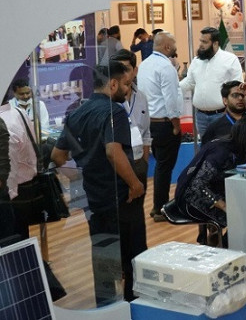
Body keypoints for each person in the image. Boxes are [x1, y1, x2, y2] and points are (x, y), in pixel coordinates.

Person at [51, 62, 146, 305]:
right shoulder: (115, 112)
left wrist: (81, 177)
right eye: (126, 84)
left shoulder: (76, 114)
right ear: (113, 84)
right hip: (121, 196)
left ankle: (106, 306)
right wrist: (135, 184)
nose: (128, 89)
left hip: (93, 196)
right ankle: (133, 307)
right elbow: (113, 152)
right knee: (132, 255)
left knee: (103, 254)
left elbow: (57, 156)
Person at [176, 116, 246, 233]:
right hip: (189, 198)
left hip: (211, 191)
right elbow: (197, 185)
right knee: (240, 216)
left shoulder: (236, 148)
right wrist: (223, 205)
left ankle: (220, 240)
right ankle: (221, 241)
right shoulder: (220, 152)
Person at [137, 32, 183, 222]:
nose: (175, 47)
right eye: (173, 44)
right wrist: (176, 125)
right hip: (165, 124)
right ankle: (160, 208)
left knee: (160, 166)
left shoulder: (144, 64)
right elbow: (170, 99)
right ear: (167, 47)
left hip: (149, 123)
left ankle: (158, 205)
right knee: (165, 167)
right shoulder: (166, 67)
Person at [110, 50, 151, 228]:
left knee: (137, 216)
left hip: (138, 162)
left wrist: (144, 162)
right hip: (118, 166)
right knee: (120, 218)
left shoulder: (141, 97)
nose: (122, 73)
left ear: (135, 70)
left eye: (126, 69)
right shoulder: (109, 100)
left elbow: (146, 133)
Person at [180, 27, 243, 137]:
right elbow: (189, 83)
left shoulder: (230, 60)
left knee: (222, 145)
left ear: (215, 44)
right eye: (201, 41)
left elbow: (237, 87)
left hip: (222, 115)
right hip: (200, 116)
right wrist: (173, 87)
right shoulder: (196, 61)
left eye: (204, 42)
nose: (201, 45)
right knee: (205, 146)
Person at [0, 104, 39, 240]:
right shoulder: (18, 111)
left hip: (13, 194)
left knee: (13, 241)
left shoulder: (4, 122)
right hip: (26, 186)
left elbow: (7, 171)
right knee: (20, 237)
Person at [201, 80, 246, 144]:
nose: (240, 98)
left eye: (242, 95)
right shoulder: (215, 127)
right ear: (225, 101)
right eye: (235, 95)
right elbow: (206, 149)